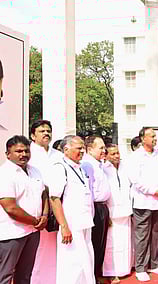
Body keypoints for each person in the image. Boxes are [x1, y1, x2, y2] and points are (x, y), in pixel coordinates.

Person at [48, 136, 95, 284]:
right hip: (71, 224)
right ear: (66, 149)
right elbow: (54, 198)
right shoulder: (59, 167)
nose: (82, 151)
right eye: (78, 148)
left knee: (86, 261)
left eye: (83, 148)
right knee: (72, 264)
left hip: (85, 221)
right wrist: (64, 226)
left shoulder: (79, 167)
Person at [0, 135, 47, 284]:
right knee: (5, 275)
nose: (23, 154)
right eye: (18, 151)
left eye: (26, 151)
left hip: (33, 232)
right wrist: (35, 221)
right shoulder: (5, 174)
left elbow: (44, 193)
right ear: (8, 154)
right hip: (12, 233)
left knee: (25, 274)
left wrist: (45, 215)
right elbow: (10, 207)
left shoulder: (35, 171)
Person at [127, 127, 158, 281]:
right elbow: (135, 180)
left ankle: (154, 263)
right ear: (142, 138)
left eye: (154, 136)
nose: (154, 138)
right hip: (143, 202)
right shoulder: (136, 156)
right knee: (142, 236)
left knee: (155, 234)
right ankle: (140, 268)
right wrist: (153, 191)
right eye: (151, 136)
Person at [28, 120, 63, 284]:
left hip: (57, 205)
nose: (46, 133)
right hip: (36, 206)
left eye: (48, 130)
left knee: (54, 245)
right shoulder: (28, 153)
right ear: (32, 135)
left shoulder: (57, 155)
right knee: (36, 248)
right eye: (41, 131)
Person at [81, 136, 111, 283]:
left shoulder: (99, 164)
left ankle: (97, 273)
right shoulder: (88, 165)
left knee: (101, 243)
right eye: (100, 148)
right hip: (94, 207)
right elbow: (89, 191)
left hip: (103, 207)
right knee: (94, 243)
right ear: (90, 149)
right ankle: (93, 276)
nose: (104, 151)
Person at [102, 144, 133, 283]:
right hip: (111, 214)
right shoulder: (103, 169)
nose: (116, 156)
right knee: (111, 245)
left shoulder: (125, 167)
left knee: (125, 243)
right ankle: (110, 272)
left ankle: (125, 268)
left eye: (118, 153)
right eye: (113, 154)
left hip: (125, 212)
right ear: (106, 155)